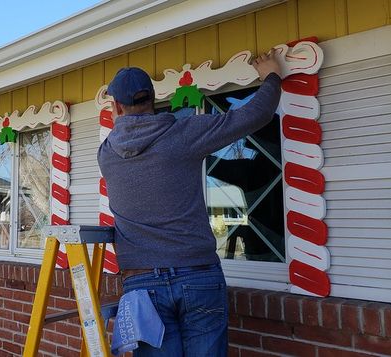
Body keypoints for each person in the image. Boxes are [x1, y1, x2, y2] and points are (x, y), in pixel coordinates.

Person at [97, 50, 282, 356]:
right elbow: (254, 115)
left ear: (116, 106)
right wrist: (272, 77)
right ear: (152, 99)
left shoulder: (107, 155)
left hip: (141, 282)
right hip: (198, 275)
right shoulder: (182, 134)